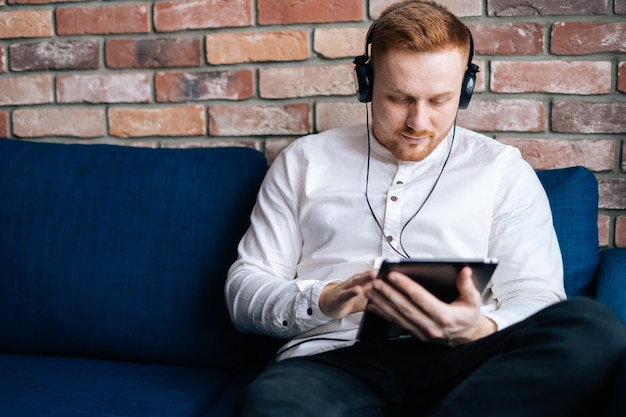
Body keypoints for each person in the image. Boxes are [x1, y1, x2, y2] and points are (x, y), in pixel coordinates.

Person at [225, 1, 626, 416]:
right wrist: (327, 297)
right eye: (399, 98)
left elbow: (538, 297)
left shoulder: (502, 169)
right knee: (269, 405)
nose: (418, 122)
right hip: (329, 363)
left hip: (465, 361)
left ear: (465, 91)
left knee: (590, 327)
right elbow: (243, 292)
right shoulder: (303, 160)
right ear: (366, 82)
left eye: (439, 101)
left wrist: (476, 328)